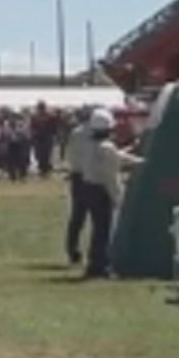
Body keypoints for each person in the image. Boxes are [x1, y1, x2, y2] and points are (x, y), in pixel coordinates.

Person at [82, 112, 141, 279]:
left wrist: (135, 157)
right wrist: (118, 196)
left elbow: (116, 156)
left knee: (98, 229)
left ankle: (95, 264)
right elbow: (111, 174)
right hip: (101, 190)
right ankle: (101, 266)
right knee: (104, 230)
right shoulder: (106, 148)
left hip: (89, 187)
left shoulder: (90, 144)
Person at [63, 109, 102, 267]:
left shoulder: (75, 132)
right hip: (93, 175)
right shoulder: (93, 133)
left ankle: (72, 250)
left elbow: (71, 154)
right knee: (98, 217)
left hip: (78, 176)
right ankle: (97, 251)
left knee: (77, 216)